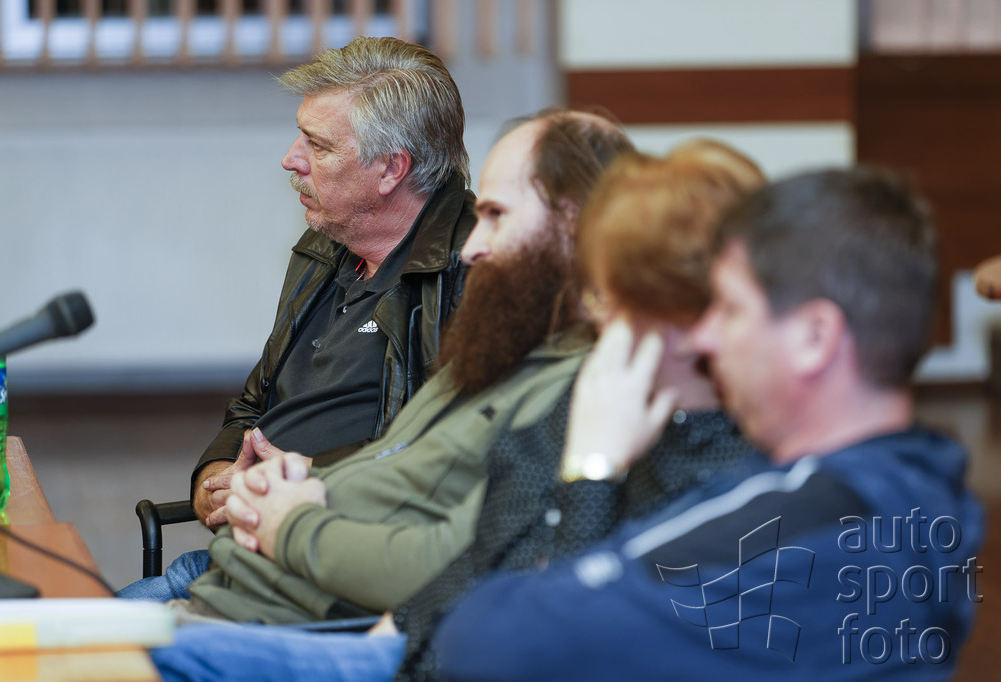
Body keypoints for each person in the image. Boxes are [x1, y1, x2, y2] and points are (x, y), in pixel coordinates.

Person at [150, 142, 765, 681]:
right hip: (371, 629)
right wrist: (310, 493)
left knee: (138, 656)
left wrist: (594, 468)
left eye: (617, 295)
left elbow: (561, 625)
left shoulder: (708, 456)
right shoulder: (563, 383)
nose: (601, 321)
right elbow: (479, 565)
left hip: (367, 635)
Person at [434, 167, 985, 680]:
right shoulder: (923, 475)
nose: (705, 337)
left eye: (730, 308)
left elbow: (484, 642)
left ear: (814, 338)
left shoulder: (796, 528)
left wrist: (592, 471)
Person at [136, 110, 634, 624]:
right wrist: (289, 481)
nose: (473, 247)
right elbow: (393, 467)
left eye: (497, 216)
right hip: (247, 573)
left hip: (291, 609)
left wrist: (290, 519)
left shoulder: (580, 387)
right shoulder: (498, 343)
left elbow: (452, 561)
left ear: (573, 225)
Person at [120, 36, 474, 598]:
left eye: (319, 145)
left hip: (332, 581)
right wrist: (216, 478)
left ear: (391, 168)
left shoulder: (471, 276)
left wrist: (306, 480)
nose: (291, 158)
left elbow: (449, 460)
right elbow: (253, 405)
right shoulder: (326, 247)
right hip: (242, 558)